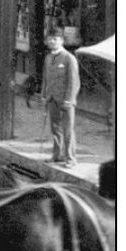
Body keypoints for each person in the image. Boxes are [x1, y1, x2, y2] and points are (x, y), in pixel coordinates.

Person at [42, 32, 79, 167]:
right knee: (55, 129)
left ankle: (70, 158)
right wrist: (44, 95)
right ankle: (57, 155)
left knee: (68, 130)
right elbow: (45, 79)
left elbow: (74, 82)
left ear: (62, 41)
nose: (52, 41)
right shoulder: (48, 58)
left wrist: (69, 100)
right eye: (50, 39)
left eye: (55, 39)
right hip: (52, 99)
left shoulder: (69, 58)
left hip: (65, 101)